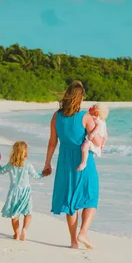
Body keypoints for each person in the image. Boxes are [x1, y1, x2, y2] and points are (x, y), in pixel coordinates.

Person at [43, 80, 101, 249]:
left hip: (64, 161)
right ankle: (83, 232)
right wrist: (98, 126)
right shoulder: (85, 117)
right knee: (90, 196)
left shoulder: (56, 116)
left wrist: (47, 163)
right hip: (83, 160)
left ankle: (73, 241)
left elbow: (52, 143)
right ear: (80, 97)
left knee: (70, 201)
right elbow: (96, 142)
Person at [0, 141, 45, 241]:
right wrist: (43, 174)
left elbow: (0, 171)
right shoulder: (28, 165)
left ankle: (17, 234)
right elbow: (36, 176)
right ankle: (24, 229)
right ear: (25, 153)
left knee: (15, 214)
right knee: (28, 213)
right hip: (25, 192)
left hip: (14, 192)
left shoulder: (10, 165)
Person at [76, 103, 109, 171]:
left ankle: (83, 162)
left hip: (93, 139)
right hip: (98, 141)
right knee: (85, 148)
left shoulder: (95, 119)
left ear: (96, 113)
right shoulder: (103, 122)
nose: (89, 110)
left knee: (84, 147)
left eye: (91, 109)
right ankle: (84, 162)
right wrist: (103, 144)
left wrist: (92, 134)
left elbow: (98, 127)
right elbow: (106, 135)